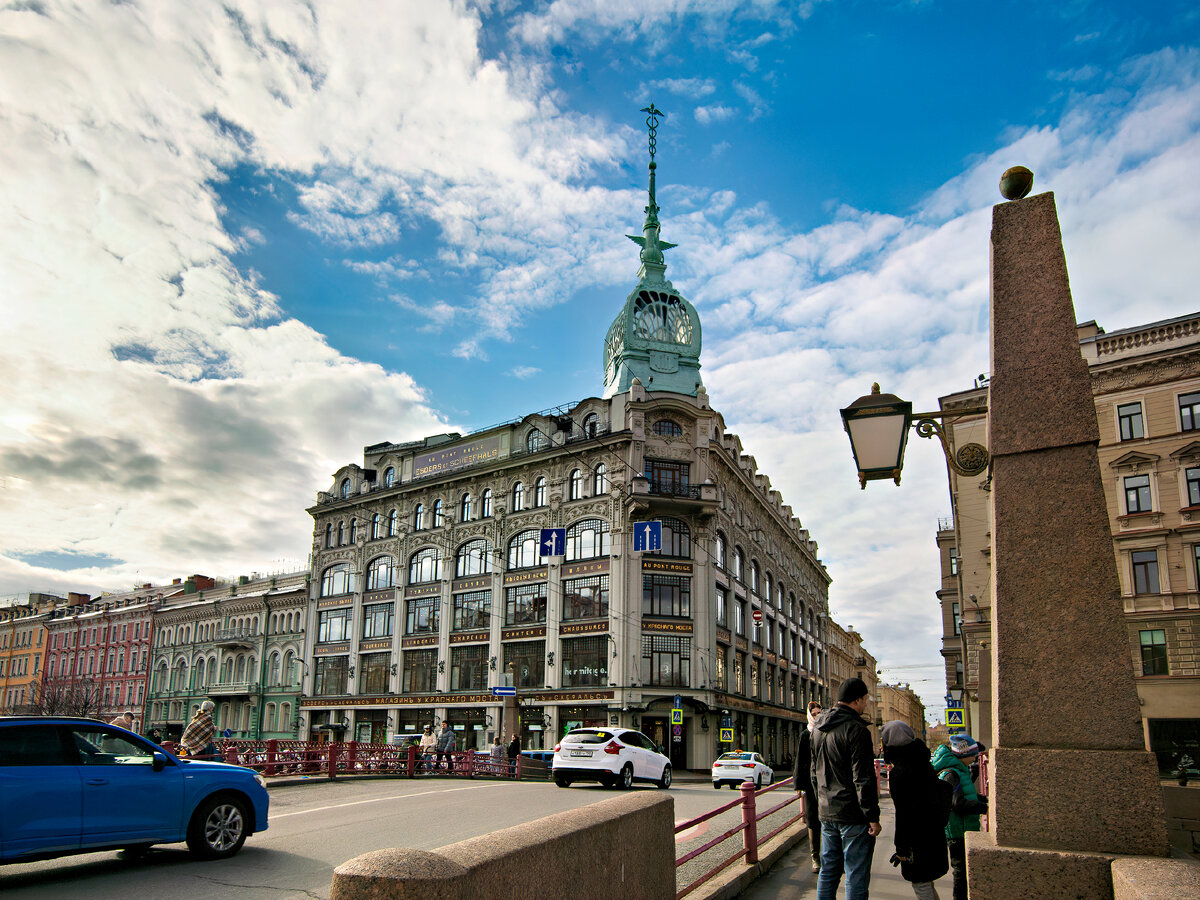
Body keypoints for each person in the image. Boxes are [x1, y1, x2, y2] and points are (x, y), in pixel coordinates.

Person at [811, 677, 881, 900]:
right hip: (852, 814)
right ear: (857, 700)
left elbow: (814, 772)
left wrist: (821, 802)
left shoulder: (818, 728)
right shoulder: (857, 729)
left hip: (826, 810)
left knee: (828, 870)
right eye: (866, 700)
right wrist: (871, 815)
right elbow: (863, 777)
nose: (866, 705)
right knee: (855, 873)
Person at [882, 721, 951, 900]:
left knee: (921, 884)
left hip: (916, 839)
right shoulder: (923, 762)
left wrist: (901, 847)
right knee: (927, 881)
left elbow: (903, 813)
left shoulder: (899, 772)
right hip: (933, 833)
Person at [931, 734, 988, 900]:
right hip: (957, 831)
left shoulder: (959, 770)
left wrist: (981, 799)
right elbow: (957, 803)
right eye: (973, 755)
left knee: (964, 873)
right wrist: (984, 807)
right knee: (961, 874)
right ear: (963, 754)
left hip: (961, 828)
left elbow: (965, 795)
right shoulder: (951, 773)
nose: (975, 758)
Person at [793, 700, 824, 873]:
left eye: (819, 713)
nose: (817, 717)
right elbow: (800, 759)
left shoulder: (826, 732)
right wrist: (798, 784)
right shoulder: (806, 734)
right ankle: (815, 857)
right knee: (812, 820)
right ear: (809, 716)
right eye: (814, 714)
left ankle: (828, 856)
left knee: (827, 819)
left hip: (825, 783)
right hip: (811, 784)